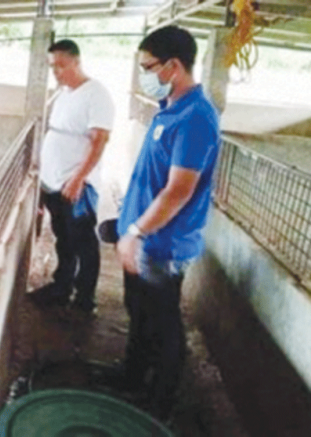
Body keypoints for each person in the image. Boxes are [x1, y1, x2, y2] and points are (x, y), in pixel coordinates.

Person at [115, 25, 221, 421]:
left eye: (148, 66)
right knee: (138, 311)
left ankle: (159, 405)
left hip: (162, 244)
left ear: (173, 66)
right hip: (141, 237)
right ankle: (132, 380)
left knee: (163, 323)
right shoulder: (170, 109)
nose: (144, 74)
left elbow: (178, 191)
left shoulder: (196, 118)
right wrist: (127, 226)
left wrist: (138, 232)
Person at [30, 39, 115, 314]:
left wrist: (79, 178)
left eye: (61, 66)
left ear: (77, 62)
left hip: (77, 184)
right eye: (52, 66)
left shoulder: (96, 94)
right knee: (62, 237)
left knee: (83, 241)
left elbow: (99, 140)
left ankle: (84, 298)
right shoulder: (64, 93)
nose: (56, 72)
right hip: (55, 181)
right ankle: (61, 286)